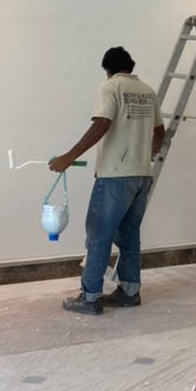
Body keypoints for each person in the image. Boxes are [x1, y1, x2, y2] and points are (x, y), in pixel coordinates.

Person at [51, 46, 164, 316]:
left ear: (108, 69)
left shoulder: (110, 87)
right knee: (129, 235)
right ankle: (129, 292)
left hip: (115, 176)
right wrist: (148, 153)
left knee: (98, 235)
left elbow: (102, 124)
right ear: (130, 66)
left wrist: (68, 157)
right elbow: (160, 131)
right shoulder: (147, 91)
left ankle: (90, 296)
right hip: (142, 175)